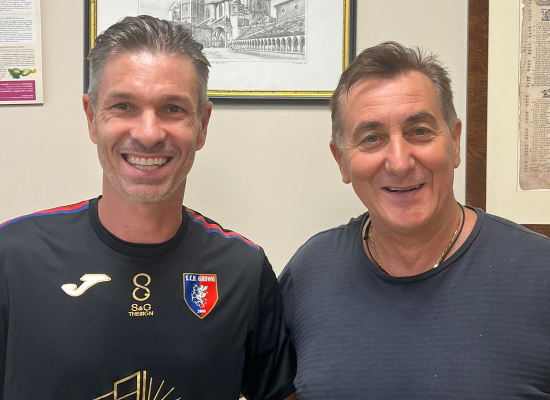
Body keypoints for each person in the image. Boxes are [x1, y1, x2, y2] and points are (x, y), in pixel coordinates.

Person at [0, 15, 295, 400]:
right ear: (92, 118)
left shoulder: (244, 270)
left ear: (202, 124)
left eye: (173, 108)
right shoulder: (13, 256)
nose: (149, 133)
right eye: (124, 106)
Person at [279, 41, 550, 399]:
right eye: (372, 138)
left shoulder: (540, 274)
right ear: (341, 160)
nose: (399, 162)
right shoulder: (309, 272)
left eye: (419, 131)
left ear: (455, 141)